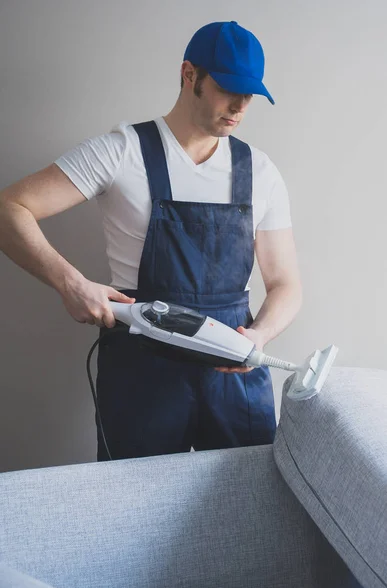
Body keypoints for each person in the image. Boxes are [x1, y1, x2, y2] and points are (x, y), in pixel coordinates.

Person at [0, 21, 302, 460]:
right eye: (227, 88)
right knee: (133, 513)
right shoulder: (121, 151)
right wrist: (71, 283)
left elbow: (286, 284)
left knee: (249, 508)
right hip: (142, 369)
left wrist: (260, 335)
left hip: (232, 370)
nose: (240, 106)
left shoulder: (260, 171)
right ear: (189, 75)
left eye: (250, 94)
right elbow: (10, 208)